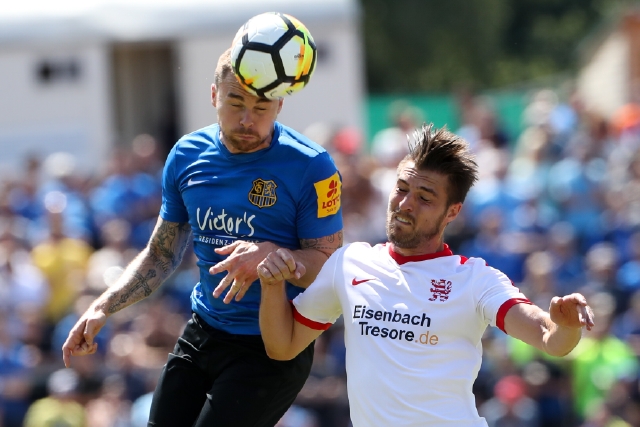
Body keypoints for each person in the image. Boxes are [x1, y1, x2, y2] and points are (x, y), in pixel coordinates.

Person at [61, 46, 344, 427]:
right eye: (235, 103)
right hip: (203, 331)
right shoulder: (186, 155)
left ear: (279, 105)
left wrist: (273, 257)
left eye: (261, 108)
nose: (247, 119)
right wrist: (102, 307)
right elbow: (161, 254)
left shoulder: (312, 165)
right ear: (214, 96)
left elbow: (329, 269)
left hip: (272, 348)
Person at [258, 123, 594, 427]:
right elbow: (282, 346)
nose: (406, 203)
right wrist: (272, 285)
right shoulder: (349, 263)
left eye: (424, 197)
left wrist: (565, 326)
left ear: (452, 212)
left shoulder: (475, 279)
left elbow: (549, 339)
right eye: (401, 188)